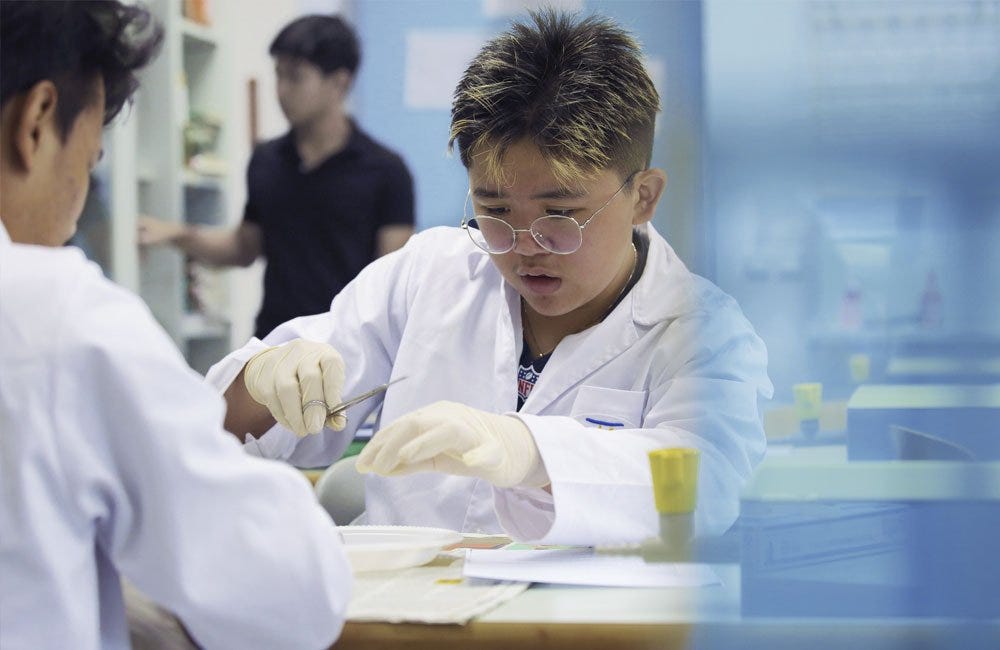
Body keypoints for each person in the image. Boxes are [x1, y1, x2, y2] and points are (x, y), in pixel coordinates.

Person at [208, 10, 772, 545]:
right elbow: (230, 427)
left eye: (560, 216)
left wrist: (529, 451)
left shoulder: (703, 329)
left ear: (642, 196)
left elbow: (709, 484)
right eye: (495, 212)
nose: (525, 248)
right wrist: (263, 380)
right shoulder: (430, 273)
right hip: (400, 617)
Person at [0, 2, 352, 648]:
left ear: (340, 82)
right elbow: (288, 594)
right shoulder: (57, 316)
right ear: (37, 123)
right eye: (87, 161)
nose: (77, 212)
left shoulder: (381, 171)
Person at [138, 14, 415, 340]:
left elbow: (392, 284)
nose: (282, 91)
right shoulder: (266, 160)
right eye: (278, 75)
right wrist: (174, 234)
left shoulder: (386, 171)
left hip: (349, 353)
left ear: (340, 82)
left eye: (295, 77)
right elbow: (244, 247)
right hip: (273, 345)